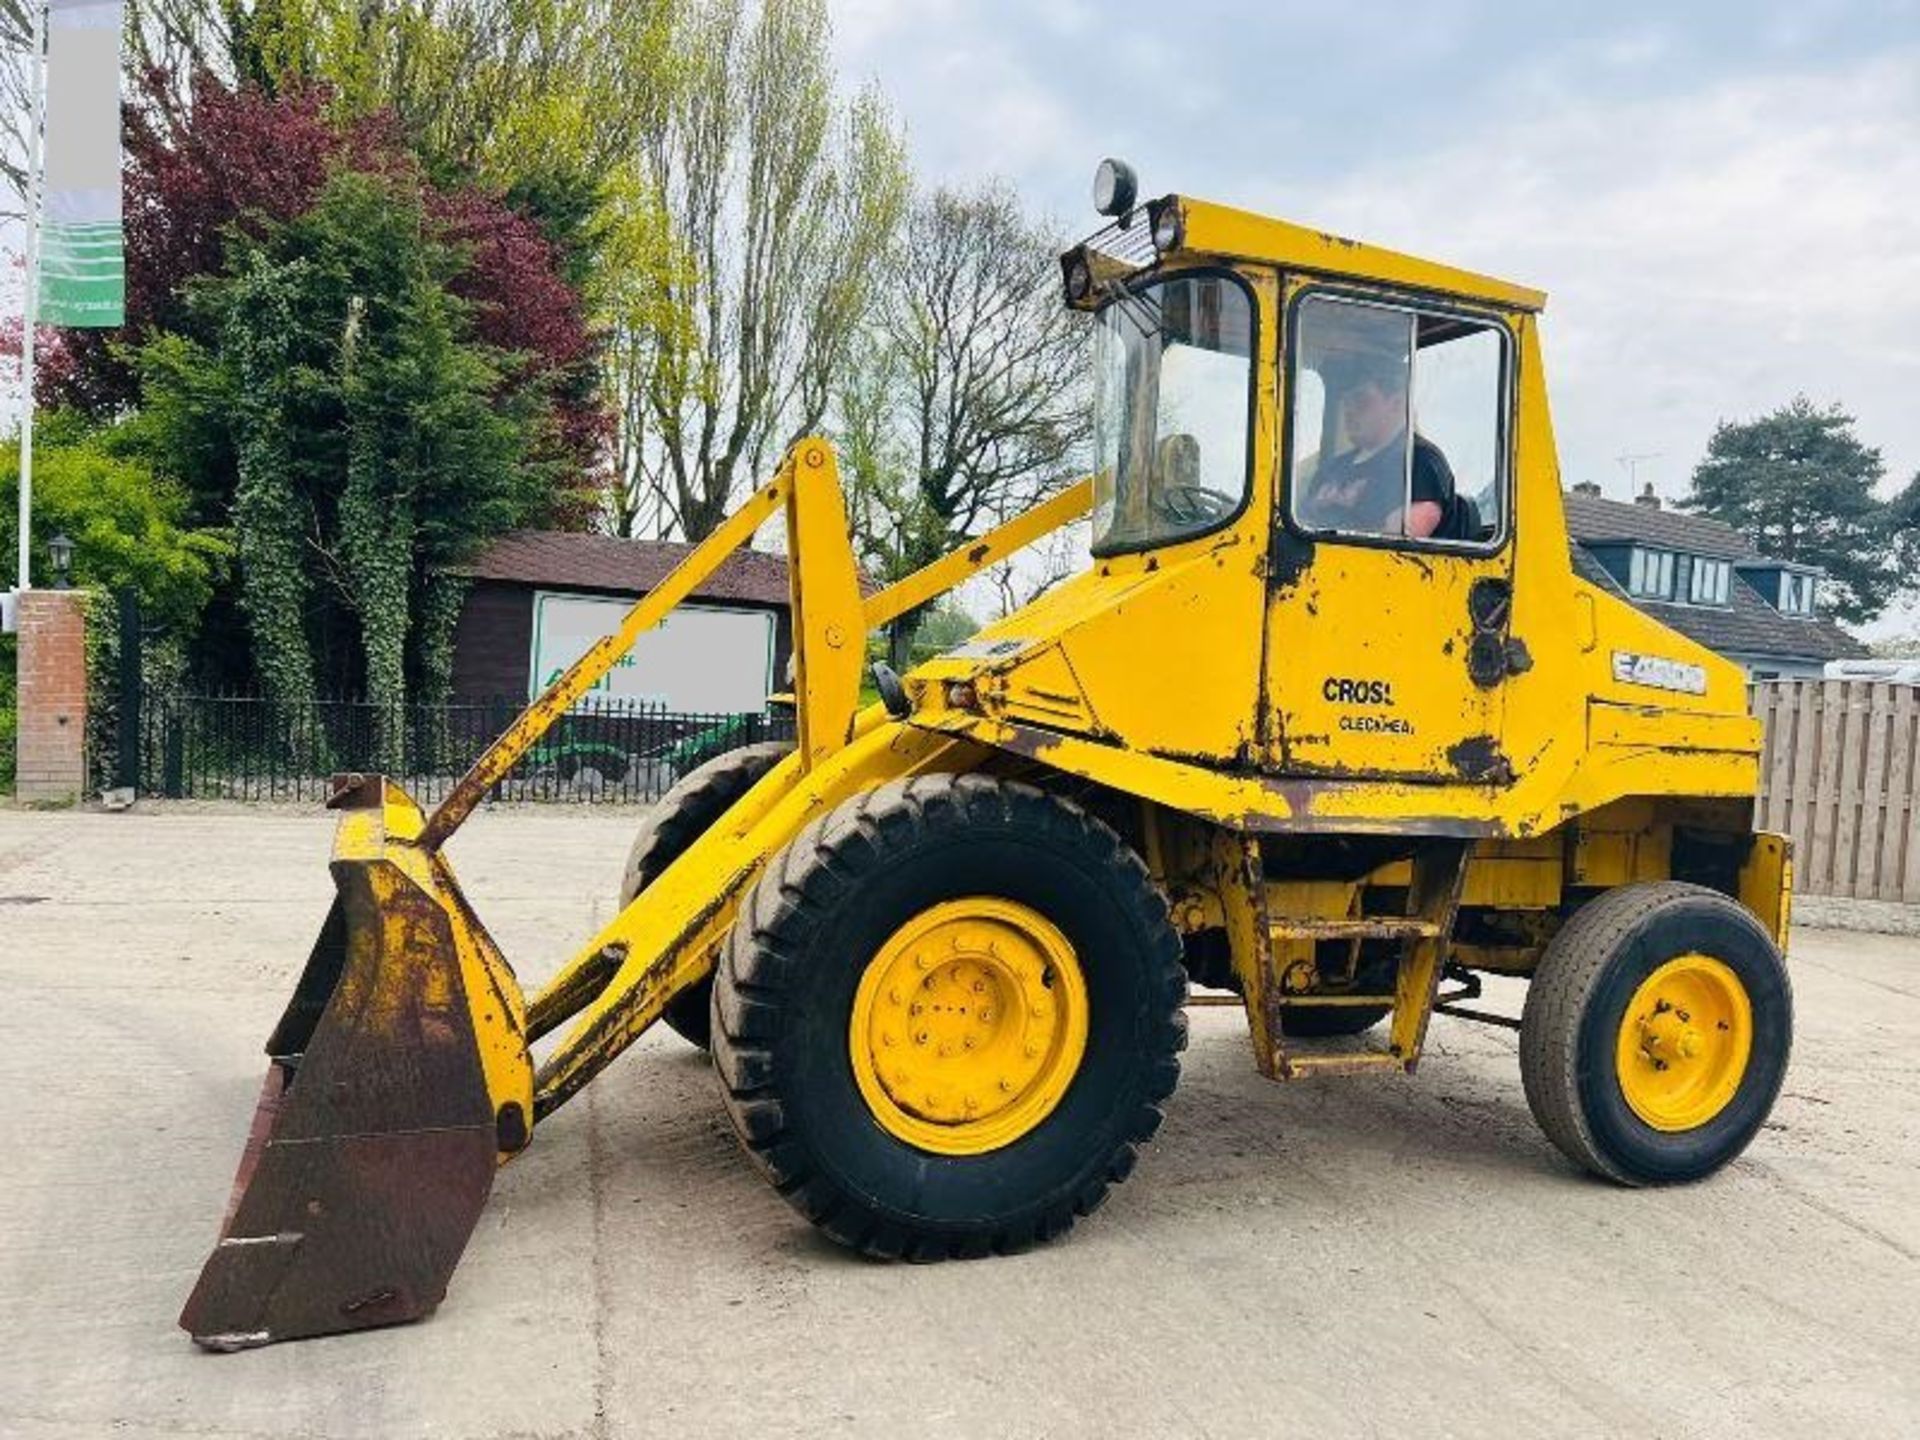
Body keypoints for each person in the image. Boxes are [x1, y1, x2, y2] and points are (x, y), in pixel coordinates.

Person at [1303, 355, 1457, 539]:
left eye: (1361, 400)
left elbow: (1399, 545)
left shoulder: (1420, 461)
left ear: (1396, 404)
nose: (1349, 411)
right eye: (1346, 402)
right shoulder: (1332, 468)